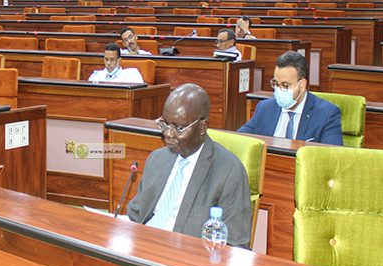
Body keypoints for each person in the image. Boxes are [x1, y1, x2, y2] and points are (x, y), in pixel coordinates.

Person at [126, 83, 251, 248]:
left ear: (202, 127)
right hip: (144, 246)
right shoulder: (157, 158)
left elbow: (235, 244)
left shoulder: (229, 171)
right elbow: (135, 215)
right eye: (165, 124)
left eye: (179, 127)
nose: (168, 134)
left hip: (187, 255)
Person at [238, 51, 343, 145]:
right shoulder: (265, 108)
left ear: (302, 85)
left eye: (285, 85)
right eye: (276, 84)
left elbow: (332, 155)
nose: (279, 90)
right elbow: (238, 139)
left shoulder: (327, 114)